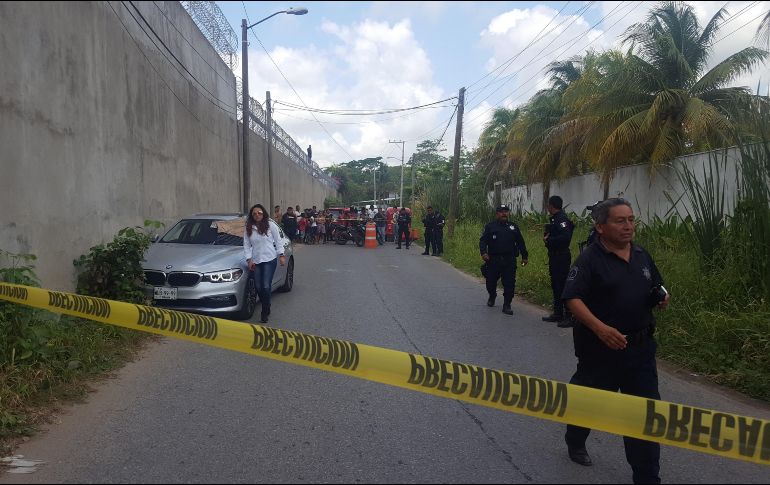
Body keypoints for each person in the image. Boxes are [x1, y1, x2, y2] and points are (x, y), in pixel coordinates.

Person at [561, 198, 669, 484]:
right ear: (600, 227)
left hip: (640, 351)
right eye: (620, 220)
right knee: (589, 404)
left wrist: (661, 296)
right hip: (600, 352)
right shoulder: (588, 260)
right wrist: (600, 329)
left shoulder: (642, 255)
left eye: (631, 219)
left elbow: (655, 284)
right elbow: (572, 298)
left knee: (643, 417)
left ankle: (647, 478)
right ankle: (575, 439)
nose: (628, 226)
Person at [479, 205, 529, 315]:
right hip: (493, 260)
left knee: (509, 283)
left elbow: (521, 242)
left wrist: (524, 256)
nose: (504, 214)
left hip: (509, 260)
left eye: (506, 212)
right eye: (501, 212)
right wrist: (483, 252)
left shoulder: (513, 227)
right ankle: (492, 295)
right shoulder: (490, 227)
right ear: (497, 214)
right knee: (490, 282)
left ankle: (507, 304)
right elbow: (483, 241)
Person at [244, 204, 286, 323]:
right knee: (258, 287)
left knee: (266, 286)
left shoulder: (270, 225)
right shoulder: (249, 227)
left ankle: (264, 310)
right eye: (254, 213)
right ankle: (267, 304)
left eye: (259, 213)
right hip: (256, 260)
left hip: (269, 259)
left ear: (263, 214)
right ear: (252, 215)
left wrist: (281, 255)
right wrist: (249, 259)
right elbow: (246, 245)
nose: (257, 215)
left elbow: (278, 241)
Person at [542, 195, 575, 327]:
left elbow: (565, 238)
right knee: (556, 284)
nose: (547, 207)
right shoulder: (555, 219)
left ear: (551, 206)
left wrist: (549, 240)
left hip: (561, 256)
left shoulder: (562, 219)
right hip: (555, 256)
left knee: (562, 285)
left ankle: (569, 315)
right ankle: (558, 313)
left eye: (548, 205)